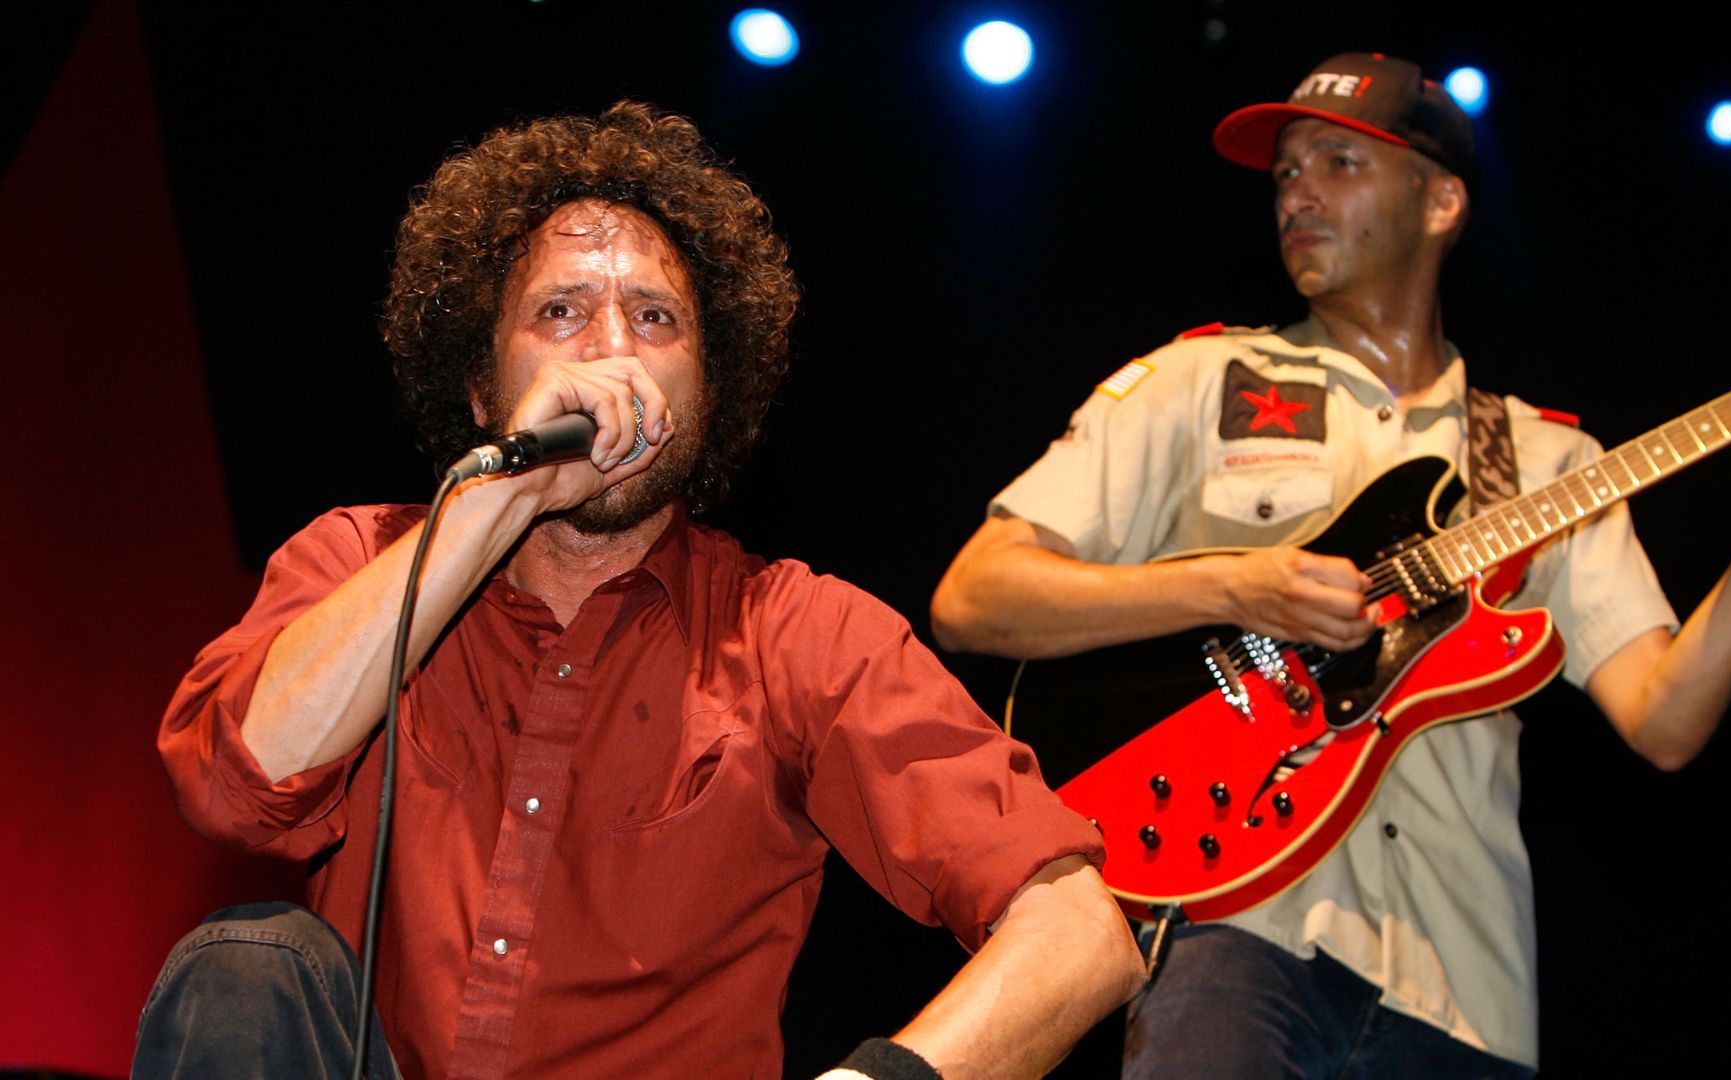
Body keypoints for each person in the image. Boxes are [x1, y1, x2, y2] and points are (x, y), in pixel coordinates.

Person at [139, 101, 1143, 1080]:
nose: (611, 349)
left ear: (706, 392)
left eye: (654, 317)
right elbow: (235, 789)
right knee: (248, 962)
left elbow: (1079, 934)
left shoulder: (803, 633)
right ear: (483, 389)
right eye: (561, 311)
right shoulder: (362, 558)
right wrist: (507, 493)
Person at [930, 52, 1731, 1077]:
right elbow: (975, 596)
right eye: (1287, 172)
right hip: (1236, 929)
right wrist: (1235, 584)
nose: (1297, 193)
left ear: (1442, 202)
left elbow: (1669, 717)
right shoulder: (1197, 380)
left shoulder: (1545, 458)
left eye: (1339, 163)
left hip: (1465, 990)